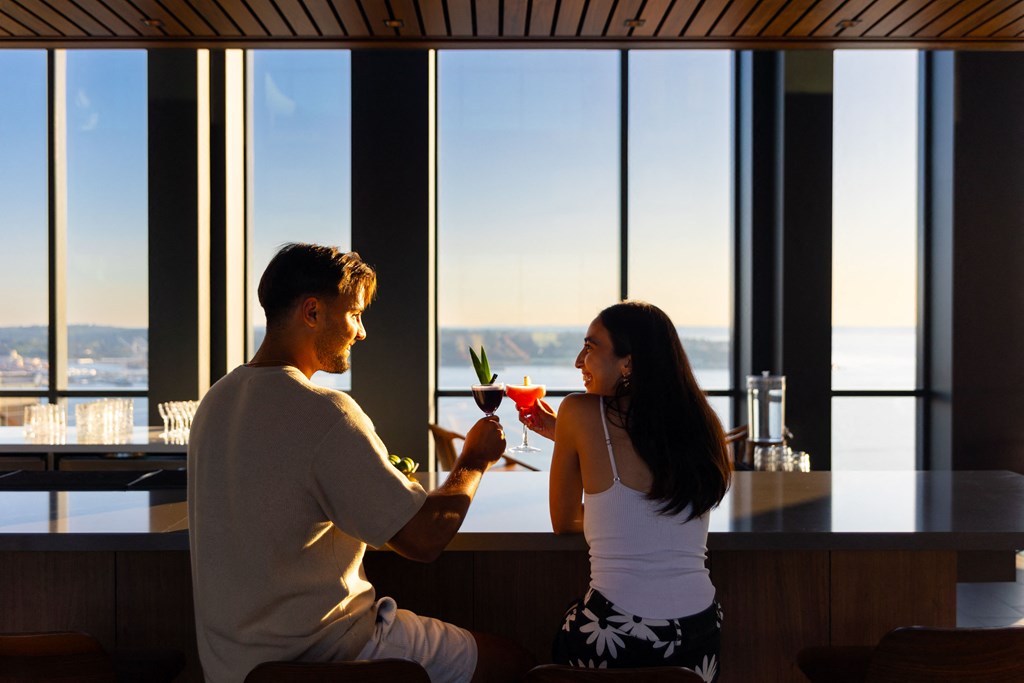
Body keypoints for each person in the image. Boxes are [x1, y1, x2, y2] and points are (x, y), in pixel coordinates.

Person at [188, 243, 534, 683]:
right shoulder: (326, 411)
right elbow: (424, 539)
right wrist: (473, 459)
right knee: (513, 663)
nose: (362, 332)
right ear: (312, 312)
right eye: (354, 313)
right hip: (332, 651)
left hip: (233, 668)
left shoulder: (215, 401)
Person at [517, 300, 732, 680]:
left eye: (590, 347)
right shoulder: (702, 422)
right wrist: (566, 438)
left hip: (616, 629)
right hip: (699, 634)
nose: (579, 361)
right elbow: (651, 498)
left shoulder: (579, 411)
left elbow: (564, 520)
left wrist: (570, 434)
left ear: (628, 363)